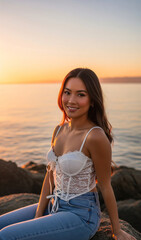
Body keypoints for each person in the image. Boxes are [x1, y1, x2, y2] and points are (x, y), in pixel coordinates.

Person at [0, 68, 136, 240]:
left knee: (5, 236)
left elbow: (106, 186)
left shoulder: (95, 136)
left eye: (80, 94)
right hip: (54, 203)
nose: (71, 100)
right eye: (67, 92)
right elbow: (50, 177)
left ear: (92, 100)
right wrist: (38, 214)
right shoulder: (59, 130)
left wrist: (117, 231)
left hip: (81, 215)